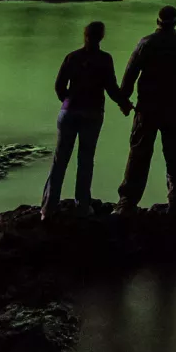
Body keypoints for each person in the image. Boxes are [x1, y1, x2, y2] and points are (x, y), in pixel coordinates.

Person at [42, 20, 131, 220]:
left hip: (69, 111)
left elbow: (59, 86)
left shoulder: (72, 57)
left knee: (60, 160)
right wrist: (124, 104)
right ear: (102, 37)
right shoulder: (105, 59)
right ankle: (82, 206)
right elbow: (111, 88)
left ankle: (48, 208)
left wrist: (68, 100)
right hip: (92, 112)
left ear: (85, 35)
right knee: (85, 160)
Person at [117, 4, 176, 211]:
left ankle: (127, 202)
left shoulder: (146, 43)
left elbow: (130, 73)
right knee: (173, 156)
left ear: (157, 22)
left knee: (138, 155)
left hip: (147, 109)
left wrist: (124, 101)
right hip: (174, 110)